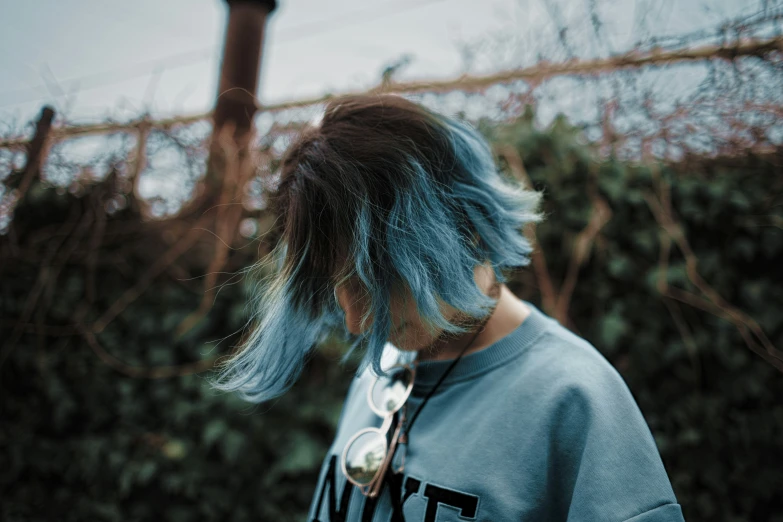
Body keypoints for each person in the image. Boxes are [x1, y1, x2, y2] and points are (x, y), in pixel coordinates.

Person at [211, 94, 685, 521]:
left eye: (372, 283)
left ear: (462, 228)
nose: (356, 323)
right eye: (338, 288)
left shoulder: (575, 398)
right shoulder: (386, 369)